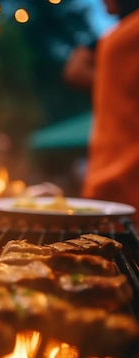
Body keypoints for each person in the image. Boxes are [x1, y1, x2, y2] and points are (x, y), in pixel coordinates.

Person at [81, 0, 139, 223]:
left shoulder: (119, 38)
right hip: (111, 187)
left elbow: (74, 69)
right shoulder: (117, 35)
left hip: (122, 186)